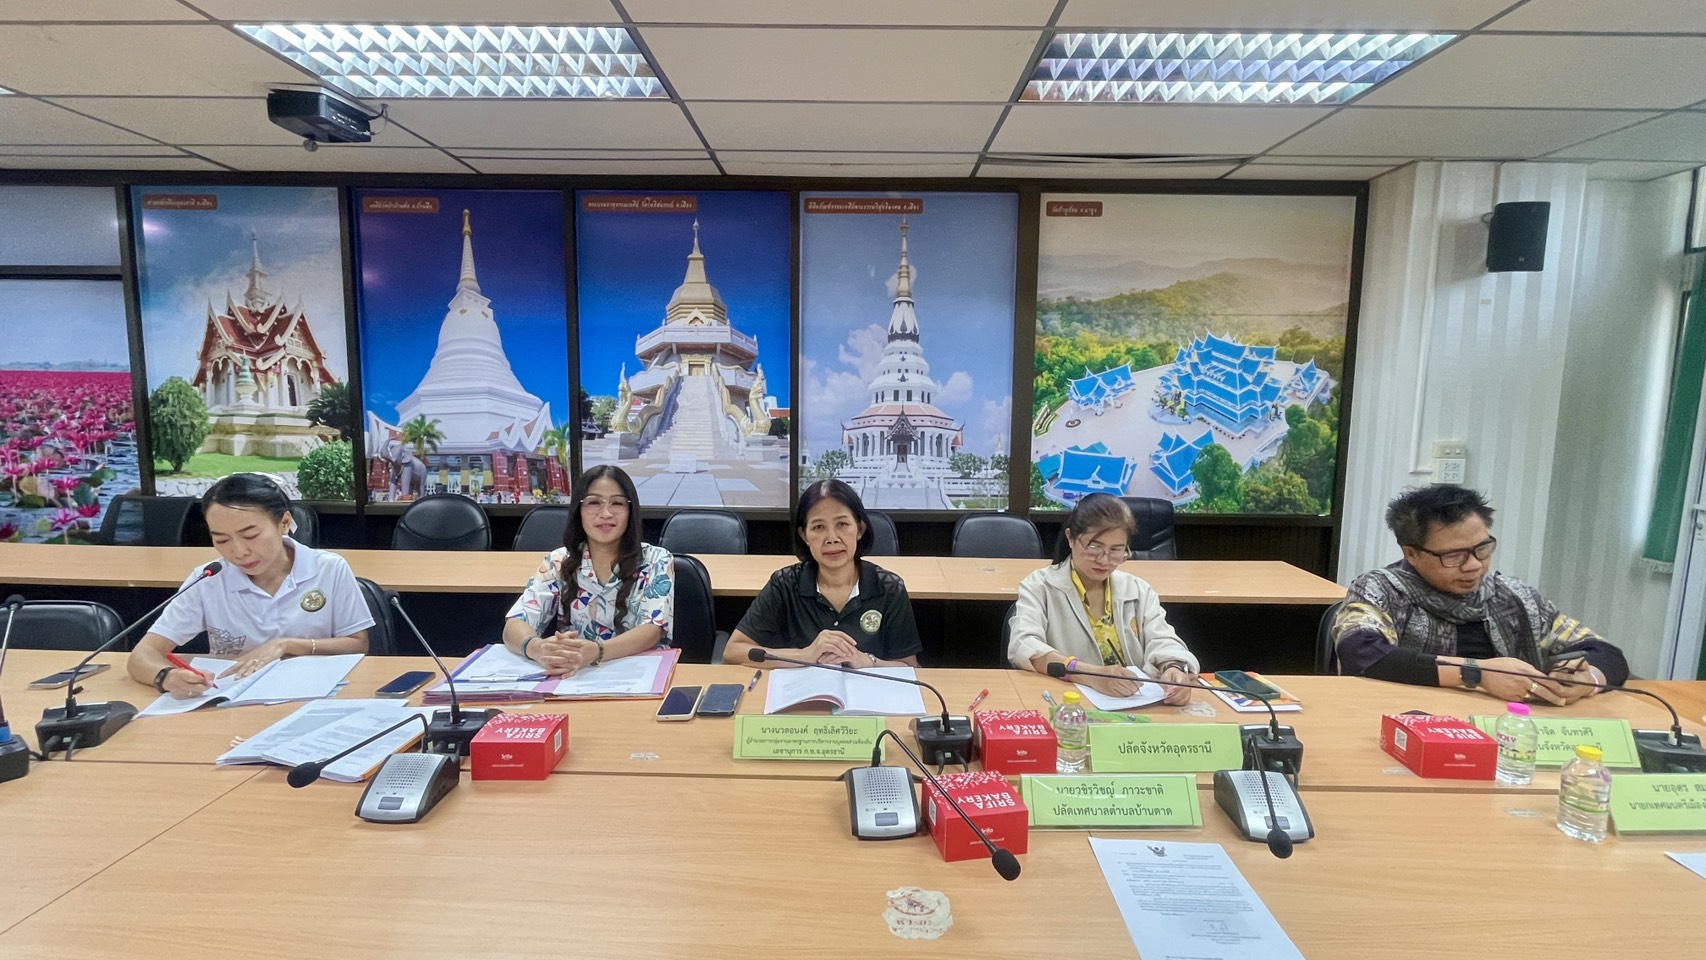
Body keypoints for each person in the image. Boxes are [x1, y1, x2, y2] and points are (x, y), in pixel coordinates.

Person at [1333, 484, 1629, 704]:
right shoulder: (1382, 590)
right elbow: (1362, 653)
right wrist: (1476, 673)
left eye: (1482, 549)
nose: (1474, 565)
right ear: (1411, 554)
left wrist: (1587, 679)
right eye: (1453, 556)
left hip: (1506, 731)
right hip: (1408, 722)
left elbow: (1606, 653)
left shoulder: (1512, 596)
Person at [126, 474, 373, 699]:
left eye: (250, 536)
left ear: (284, 522)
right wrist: (167, 677)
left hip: (312, 698)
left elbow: (357, 643)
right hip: (232, 703)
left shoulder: (328, 568)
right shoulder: (208, 578)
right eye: (222, 539)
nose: (239, 551)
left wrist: (286, 645)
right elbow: (142, 655)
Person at [1007, 494, 1199, 704]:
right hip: (1068, 703)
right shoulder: (1040, 586)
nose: (1104, 560)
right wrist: (1090, 674)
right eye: (1094, 547)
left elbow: (1163, 639)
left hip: (1136, 705)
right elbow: (1024, 646)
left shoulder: (1137, 590)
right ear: (1071, 538)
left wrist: (1173, 668)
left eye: (1116, 550)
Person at [724, 479, 921, 669]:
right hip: (802, 689)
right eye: (818, 527)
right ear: (804, 535)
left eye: (842, 524)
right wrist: (804, 656)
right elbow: (733, 651)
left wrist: (866, 661)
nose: (832, 538)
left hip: (866, 690)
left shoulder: (888, 588)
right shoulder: (785, 584)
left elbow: (908, 666)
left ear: (860, 529)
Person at [503, 465, 673, 676]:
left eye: (617, 503)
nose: (606, 514)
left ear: (631, 511)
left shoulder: (656, 559)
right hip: (575, 676)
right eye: (594, 503)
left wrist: (596, 651)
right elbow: (516, 622)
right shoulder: (559, 561)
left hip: (639, 675)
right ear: (579, 510)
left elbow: (652, 630)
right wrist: (538, 648)